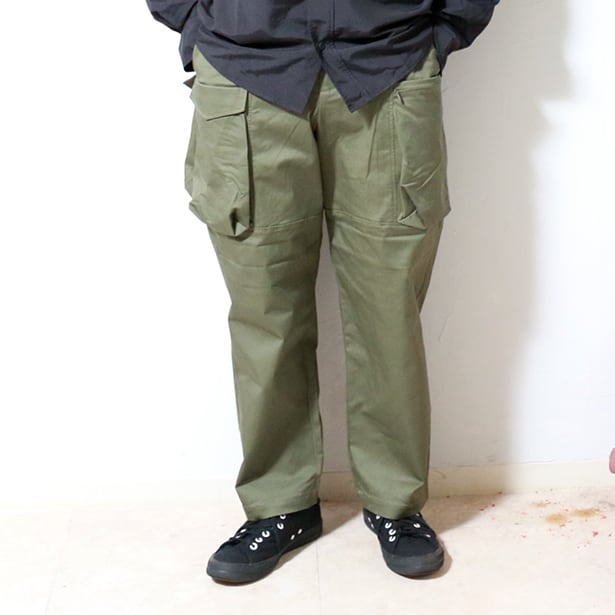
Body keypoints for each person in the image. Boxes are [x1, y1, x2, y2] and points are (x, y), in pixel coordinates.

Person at [145, 0, 499, 583]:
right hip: (244, 72)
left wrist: (439, 35)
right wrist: (202, 28)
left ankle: (395, 505)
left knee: (388, 313)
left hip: (389, 65)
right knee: (265, 314)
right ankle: (279, 505)